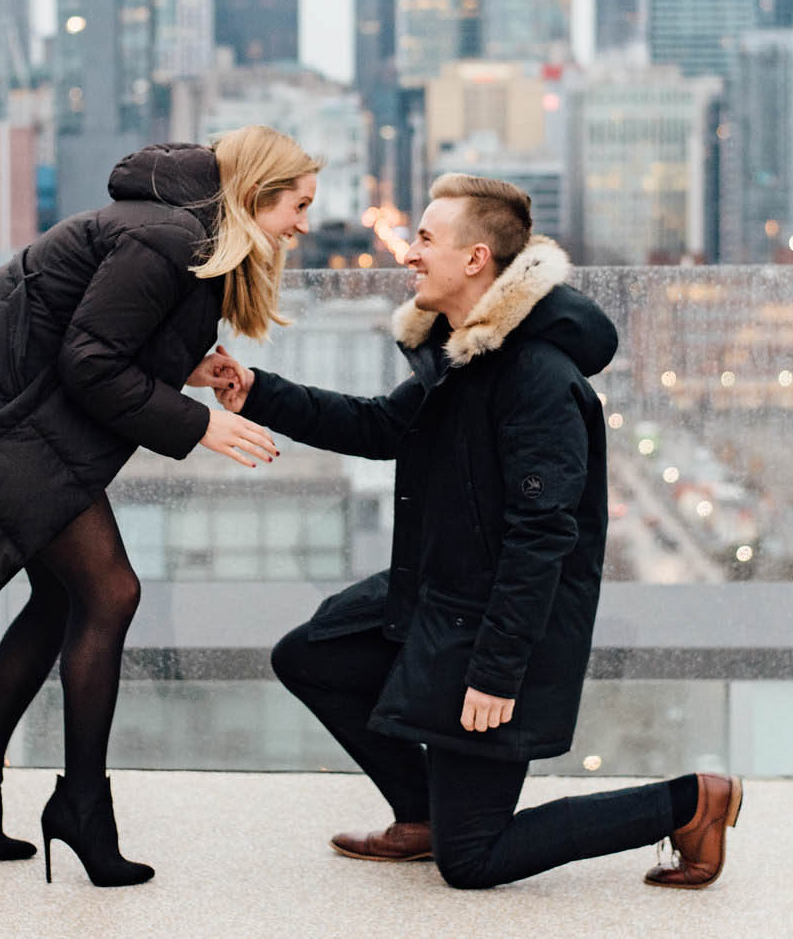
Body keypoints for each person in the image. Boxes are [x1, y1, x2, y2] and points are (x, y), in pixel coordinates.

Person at [208, 173, 741, 891]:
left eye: (426, 238)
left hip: (498, 626)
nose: (410, 253)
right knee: (312, 655)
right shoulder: (464, 353)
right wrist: (256, 390)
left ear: (476, 258)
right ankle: (422, 813)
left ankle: (689, 803)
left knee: (474, 861)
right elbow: (381, 426)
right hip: (443, 594)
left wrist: (495, 671)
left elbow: (542, 536)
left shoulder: (536, 377)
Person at [0, 126, 318, 887]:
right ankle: (80, 805)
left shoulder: (175, 231)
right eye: (299, 204)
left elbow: (98, 334)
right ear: (255, 195)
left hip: (15, 422)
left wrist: (183, 368)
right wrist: (200, 424)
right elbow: (90, 363)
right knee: (112, 591)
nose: (304, 224)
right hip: (6, 429)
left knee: (62, 601)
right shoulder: (169, 239)